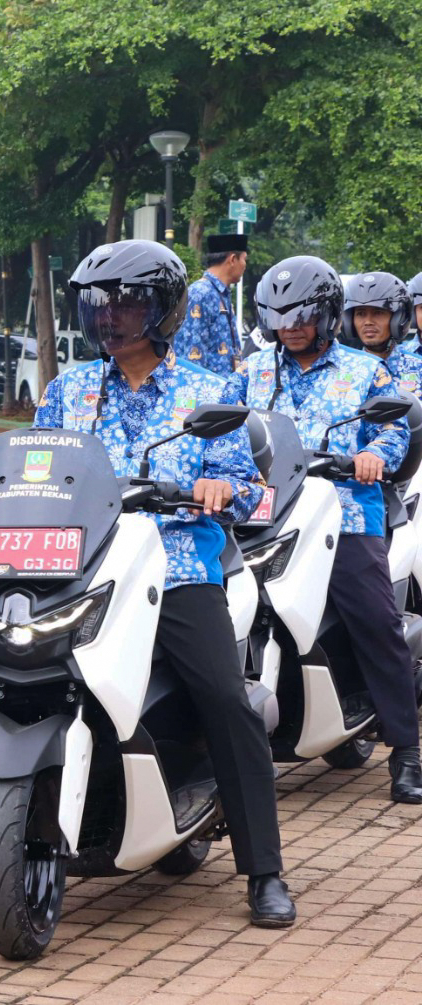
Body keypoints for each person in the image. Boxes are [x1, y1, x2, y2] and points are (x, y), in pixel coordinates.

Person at [0, 239, 295, 927]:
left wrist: (219, 487)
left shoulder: (209, 392)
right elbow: (28, 469)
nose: (112, 317)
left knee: (222, 696)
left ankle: (263, 867)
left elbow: (249, 491)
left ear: (164, 309)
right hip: (71, 562)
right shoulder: (67, 391)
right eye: (100, 304)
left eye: (128, 303)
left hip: (175, 565)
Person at [230, 255, 422, 804]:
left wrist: (370, 455)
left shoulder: (366, 372)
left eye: (302, 315)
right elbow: (219, 428)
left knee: (376, 620)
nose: (290, 326)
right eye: (279, 316)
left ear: (325, 315)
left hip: (345, 513)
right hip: (261, 513)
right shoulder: (252, 371)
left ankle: (406, 754)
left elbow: (392, 433)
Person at [170, 233, 248, 375]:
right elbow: (191, 354)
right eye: (244, 259)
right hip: (207, 392)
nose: (245, 265)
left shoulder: (221, 294)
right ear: (232, 259)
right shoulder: (200, 293)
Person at [342, 272, 422, 394]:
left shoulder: (418, 368)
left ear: (398, 318)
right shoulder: (340, 371)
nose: (368, 322)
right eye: (361, 314)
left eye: (378, 312)